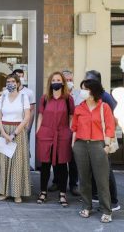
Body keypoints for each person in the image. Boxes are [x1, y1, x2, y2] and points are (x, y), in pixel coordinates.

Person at [71, 79, 114, 223]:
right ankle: (86, 206)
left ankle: (106, 210)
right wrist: (73, 145)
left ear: (93, 91)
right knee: (83, 179)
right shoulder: (79, 108)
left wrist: (107, 146)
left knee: (102, 179)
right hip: (81, 145)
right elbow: (74, 128)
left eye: (86, 88)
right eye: (82, 88)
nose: (82, 91)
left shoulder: (104, 107)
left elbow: (110, 127)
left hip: (98, 145)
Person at [36, 72, 75, 207]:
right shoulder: (45, 98)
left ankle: (62, 194)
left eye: (58, 80)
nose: (56, 82)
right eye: (53, 80)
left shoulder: (68, 99)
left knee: (62, 165)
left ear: (63, 82)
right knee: (45, 164)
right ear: (50, 82)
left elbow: (71, 117)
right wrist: (38, 131)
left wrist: (70, 132)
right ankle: (43, 192)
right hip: (46, 133)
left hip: (63, 134)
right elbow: (40, 115)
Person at [85, 70, 120, 211]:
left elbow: (113, 120)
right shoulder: (92, 96)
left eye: (90, 81)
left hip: (104, 139)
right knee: (94, 168)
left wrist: (107, 140)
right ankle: (96, 195)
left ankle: (114, 201)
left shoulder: (105, 97)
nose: (87, 84)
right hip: (92, 139)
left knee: (106, 170)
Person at [0, 74, 31, 203]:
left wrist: (14, 134)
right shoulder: (2, 97)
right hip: (3, 130)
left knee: (17, 163)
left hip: (18, 132)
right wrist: (3, 133)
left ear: (18, 83)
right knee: (3, 162)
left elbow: (26, 117)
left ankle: (17, 193)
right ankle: (3, 192)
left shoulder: (23, 97)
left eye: (13, 81)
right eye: (8, 81)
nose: (10, 83)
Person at [49, 69, 79, 196]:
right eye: (66, 80)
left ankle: (73, 185)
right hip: (59, 131)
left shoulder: (78, 95)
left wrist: (73, 131)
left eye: (71, 80)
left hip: (74, 131)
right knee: (56, 158)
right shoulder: (56, 94)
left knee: (72, 160)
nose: (69, 82)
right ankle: (57, 181)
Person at [12, 69, 36, 136]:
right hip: (11, 125)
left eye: (22, 76)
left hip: (24, 127)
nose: (20, 78)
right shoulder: (8, 92)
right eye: (18, 76)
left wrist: (29, 128)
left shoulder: (29, 92)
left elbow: (32, 111)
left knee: (24, 146)